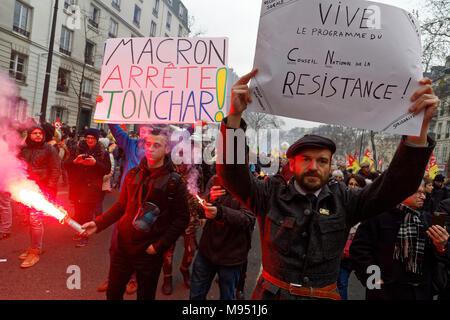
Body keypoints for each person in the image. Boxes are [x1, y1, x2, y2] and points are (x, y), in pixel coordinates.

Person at [216, 68, 439, 300]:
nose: (314, 166)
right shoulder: (269, 194)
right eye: (305, 159)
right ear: (291, 164)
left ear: (331, 165)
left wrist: (417, 131)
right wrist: (233, 117)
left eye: (322, 161)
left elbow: (397, 186)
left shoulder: (346, 200)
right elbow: (231, 175)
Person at [81, 127, 189, 300]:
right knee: (113, 293)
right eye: (148, 144)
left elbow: (182, 219)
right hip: (123, 247)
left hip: (149, 252)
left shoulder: (174, 182)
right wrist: (99, 223)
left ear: (168, 149)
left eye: (156, 145)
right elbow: (122, 206)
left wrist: (159, 246)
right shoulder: (133, 174)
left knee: (145, 296)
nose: (150, 149)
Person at [350, 182, 449, 299]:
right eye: (418, 192)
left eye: (423, 193)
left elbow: (439, 256)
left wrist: (441, 246)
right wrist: (374, 279)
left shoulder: (428, 218)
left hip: (420, 292)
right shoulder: (378, 216)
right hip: (386, 292)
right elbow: (359, 250)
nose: (423, 196)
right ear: (401, 192)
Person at [190, 175, 256, 300]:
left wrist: (220, 213)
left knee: (227, 296)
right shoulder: (215, 180)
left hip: (232, 257)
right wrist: (209, 199)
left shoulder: (250, 186)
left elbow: (248, 218)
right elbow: (200, 210)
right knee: (196, 295)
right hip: (207, 251)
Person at [18, 125, 60, 268]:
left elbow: (55, 170)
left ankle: (35, 251)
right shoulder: (24, 149)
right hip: (26, 188)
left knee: (35, 220)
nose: (37, 135)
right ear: (29, 135)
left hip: (42, 189)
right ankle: (34, 247)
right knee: (30, 220)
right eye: (34, 133)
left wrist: (49, 190)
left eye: (40, 133)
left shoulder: (49, 149)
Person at [65, 128, 111, 247]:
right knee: (78, 212)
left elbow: (107, 169)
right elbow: (65, 164)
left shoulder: (103, 152)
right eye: (88, 138)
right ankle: (78, 230)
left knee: (88, 213)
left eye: (93, 138)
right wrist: (75, 161)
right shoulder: (77, 149)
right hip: (77, 186)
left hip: (92, 188)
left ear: (97, 139)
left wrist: (95, 163)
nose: (90, 140)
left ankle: (84, 235)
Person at [337, 174, 367, 300]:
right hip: (339, 251)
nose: (353, 187)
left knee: (342, 283)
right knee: (339, 283)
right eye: (350, 184)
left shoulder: (366, 205)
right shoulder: (340, 201)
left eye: (356, 185)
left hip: (353, 252)